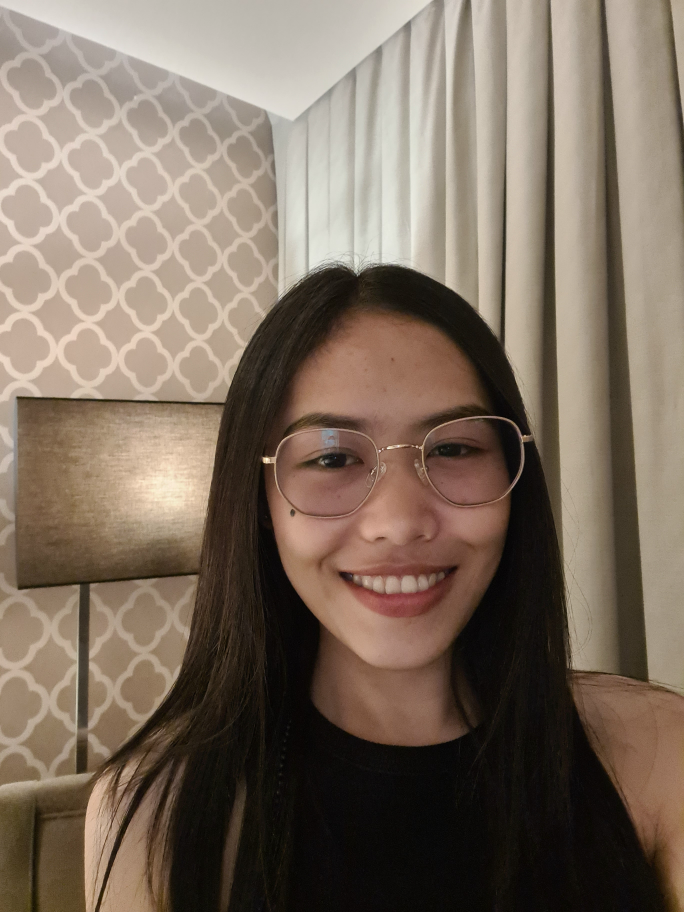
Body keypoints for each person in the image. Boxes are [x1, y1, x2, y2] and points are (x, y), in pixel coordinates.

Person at [85, 264, 684, 912]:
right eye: (332, 457)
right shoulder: (151, 814)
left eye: (454, 449)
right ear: (260, 500)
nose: (399, 522)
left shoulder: (654, 750)